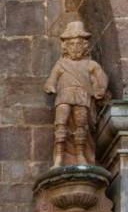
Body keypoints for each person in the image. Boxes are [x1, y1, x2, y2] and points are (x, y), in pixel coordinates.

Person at [44, 21, 109, 167]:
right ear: (66, 46)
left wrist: (100, 89)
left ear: (84, 45)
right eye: (72, 44)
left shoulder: (91, 64)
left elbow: (102, 78)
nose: (75, 48)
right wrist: (50, 86)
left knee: (81, 124)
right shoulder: (61, 64)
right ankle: (59, 157)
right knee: (61, 123)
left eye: (79, 44)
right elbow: (51, 80)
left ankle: (80, 154)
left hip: (81, 96)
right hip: (64, 96)